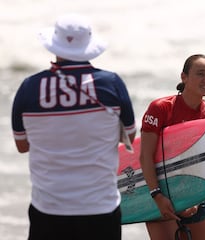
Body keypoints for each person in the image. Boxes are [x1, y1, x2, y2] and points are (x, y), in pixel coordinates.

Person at [11, 14, 136, 240]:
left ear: (55, 45)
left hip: (48, 208)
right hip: (100, 208)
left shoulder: (29, 88)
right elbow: (129, 135)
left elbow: (22, 145)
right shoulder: (112, 84)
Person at [139, 54, 205, 240]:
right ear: (183, 77)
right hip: (159, 199)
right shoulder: (161, 109)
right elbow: (145, 156)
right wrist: (157, 195)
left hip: (196, 199)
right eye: (200, 73)